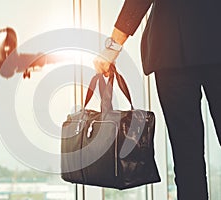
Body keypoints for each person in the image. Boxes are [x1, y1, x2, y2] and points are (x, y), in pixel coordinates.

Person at [94, 1, 221, 200]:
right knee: (187, 155)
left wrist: (113, 46)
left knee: (187, 155)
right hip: (185, 45)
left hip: (172, 48)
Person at [0, 27, 70, 79]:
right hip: (0, 68)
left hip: (17, 66)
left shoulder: (22, 59)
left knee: (38, 59)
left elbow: (48, 59)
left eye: (10, 33)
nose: (6, 33)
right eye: (3, 32)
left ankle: (27, 71)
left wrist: (41, 59)